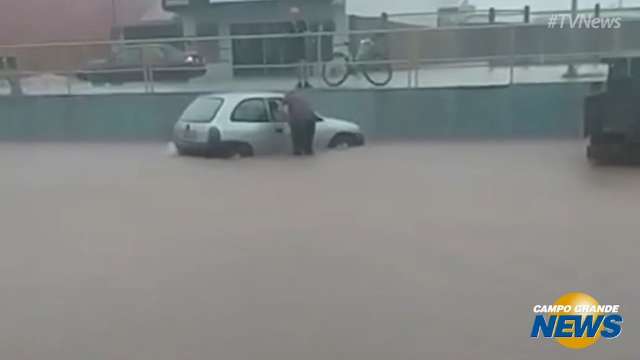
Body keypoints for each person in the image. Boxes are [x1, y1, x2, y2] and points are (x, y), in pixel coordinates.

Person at [283, 90, 317, 156]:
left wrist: (286, 121)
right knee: (308, 144)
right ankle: (308, 154)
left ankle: (298, 156)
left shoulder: (287, 98)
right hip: (311, 120)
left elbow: (285, 111)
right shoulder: (303, 98)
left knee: (297, 143)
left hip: (298, 120)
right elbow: (310, 109)